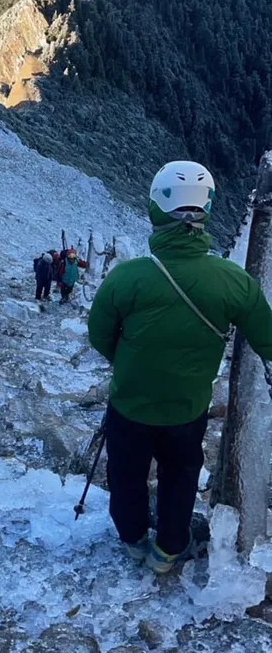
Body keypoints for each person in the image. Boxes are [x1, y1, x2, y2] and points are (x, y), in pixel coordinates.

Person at [88, 161, 272, 574]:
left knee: (127, 472)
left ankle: (133, 539)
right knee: (180, 473)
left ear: (157, 209)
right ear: (205, 211)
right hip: (187, 408)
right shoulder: (234, 281)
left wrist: (132, 365)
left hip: (130, 403)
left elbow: (100, 335)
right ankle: (168, 551)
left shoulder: (127, 277)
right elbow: (268, 339)